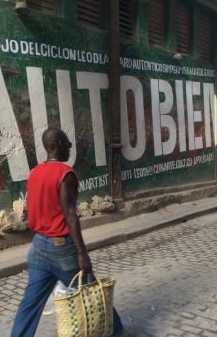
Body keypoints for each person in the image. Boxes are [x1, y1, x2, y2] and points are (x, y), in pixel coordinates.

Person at [11, 128, 130, 337]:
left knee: (30, 303)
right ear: (57, 143)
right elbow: (70, 214)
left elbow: (33, 208)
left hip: (38, 245)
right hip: (61, 248)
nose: (70, 147)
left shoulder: (35, 173)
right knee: (92, 289)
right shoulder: (65, 174)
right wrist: (82, 253)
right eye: (67, 143)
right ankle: (116, 330)